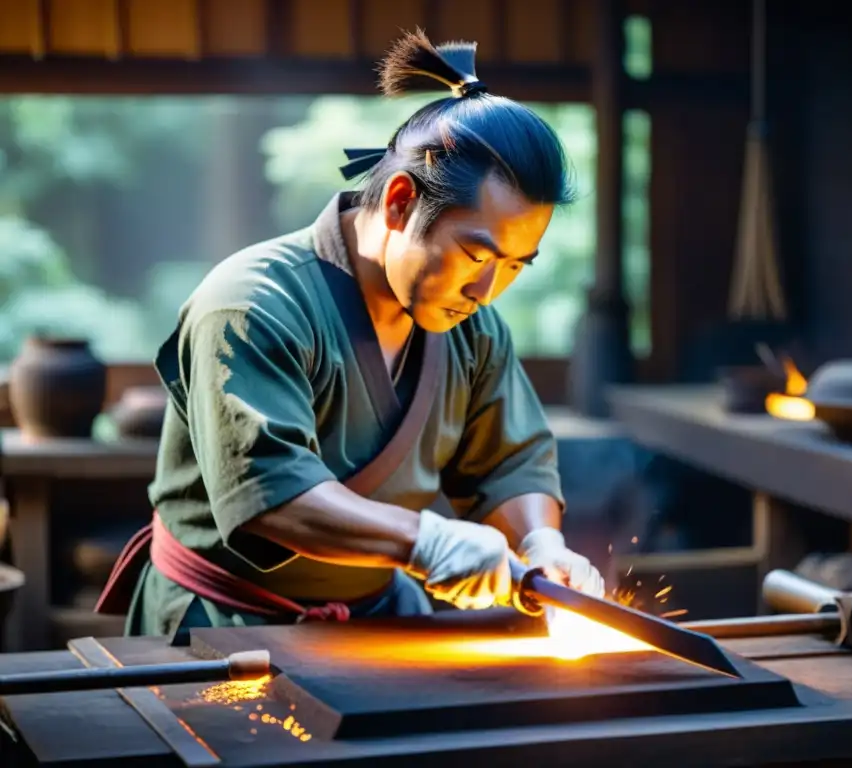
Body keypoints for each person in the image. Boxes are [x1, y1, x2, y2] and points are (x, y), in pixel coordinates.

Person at [95, 28, 605, 638]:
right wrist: (425, 541)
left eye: (515, 267)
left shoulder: (474, 329)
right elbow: (274, 494)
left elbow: (511, 465)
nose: (487, 290)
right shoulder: (249, 305)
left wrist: (541, 542)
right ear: (398, 202)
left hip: (378, 624)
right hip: (220, 628)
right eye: (476, 256)